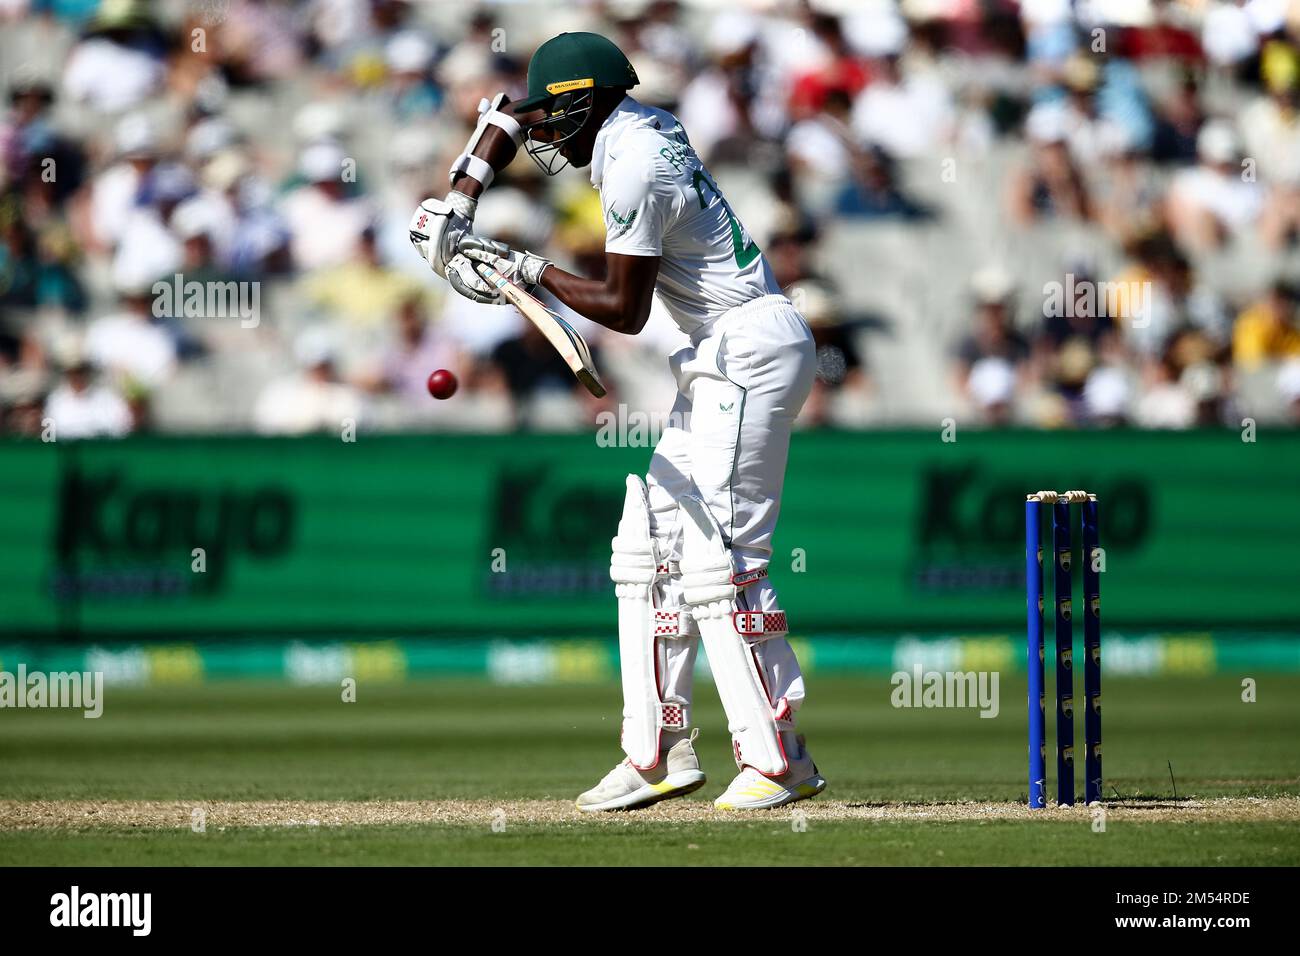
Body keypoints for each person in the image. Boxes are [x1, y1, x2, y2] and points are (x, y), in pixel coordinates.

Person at [409, 32, 825, 812]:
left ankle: (779, 759)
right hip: (721, 352)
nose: (544, 135)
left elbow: (624, 311)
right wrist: (470, 179)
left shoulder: (637, 162)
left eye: (556, 117)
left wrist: (515, 266)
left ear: (590, 105)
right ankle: (657, 752)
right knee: (646, 547)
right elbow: (511, 117)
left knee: (722, 559)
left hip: (748, 348)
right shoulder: (640, 126)